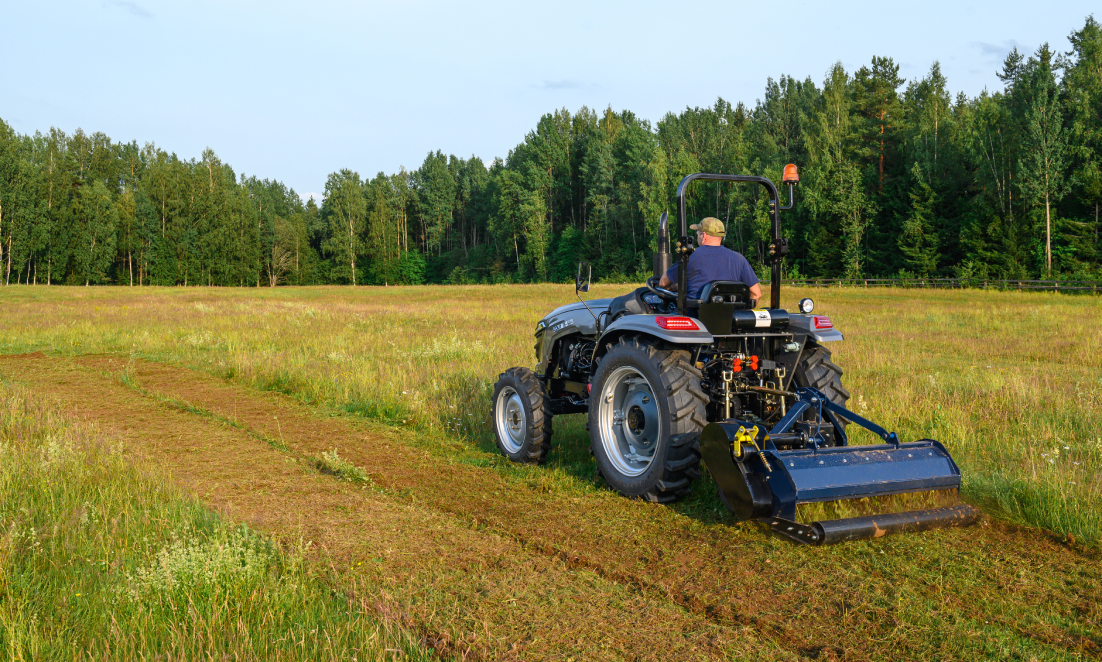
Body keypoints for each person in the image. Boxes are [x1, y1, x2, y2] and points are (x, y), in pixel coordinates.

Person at [658, 216, 762, 304]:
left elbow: (663, 283)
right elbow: (757, 294)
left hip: (696, 321)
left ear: (703, 235)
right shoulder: (739, 259)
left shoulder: (689, 256)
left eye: (698, 234)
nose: (697, 237)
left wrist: (678, 287)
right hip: (730, 323)